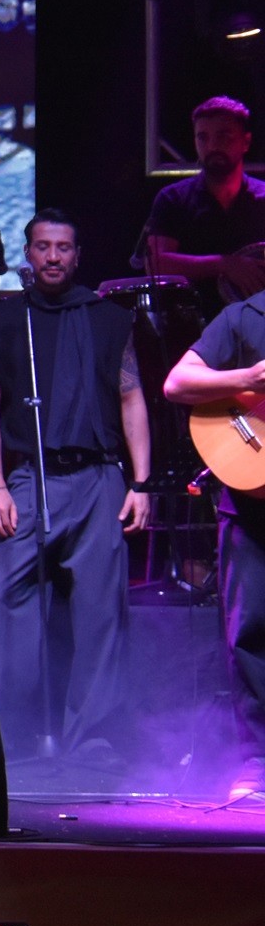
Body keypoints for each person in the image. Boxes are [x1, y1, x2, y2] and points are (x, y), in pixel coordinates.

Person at [0, 209, 151, 768]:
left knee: (100, 610)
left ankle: (92, 736)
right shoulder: (1, 324)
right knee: (4, 599)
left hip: (98, 477)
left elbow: (131, 398)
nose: (53, 256)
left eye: (63, 247)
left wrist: (141, 482)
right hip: (30, 477)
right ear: (28, 254)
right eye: (43, 246)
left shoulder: (109, 319)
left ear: (77, 255)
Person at [161, 278, 265, 798]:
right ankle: (258, 762)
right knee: (250, 633)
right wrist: (249, 377)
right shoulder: (248, 316)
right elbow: (177, 383)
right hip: (251, 505)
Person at [144, 96, 265, 316]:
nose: (212, 146)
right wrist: (223, 264)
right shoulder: (173, 198)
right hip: (192, 325)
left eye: (223, 136)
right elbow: (156, 264)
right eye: (203, 137)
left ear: (246, 142)